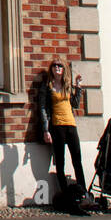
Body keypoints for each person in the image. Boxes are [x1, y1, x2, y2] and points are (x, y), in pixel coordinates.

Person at [38, 58, 86, 198]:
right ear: (51, 69)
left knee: (77, 159)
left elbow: (75, 104)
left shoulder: (67, 85)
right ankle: (65, 193)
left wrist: (78, 87)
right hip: (57, 126)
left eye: (60, 66)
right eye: (54, 65)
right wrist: (46, 130)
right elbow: (43, 108)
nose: (57, 68)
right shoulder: (48, 86)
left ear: (64, 69)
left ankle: (83, 192)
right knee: (60, 161)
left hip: (71, 124)